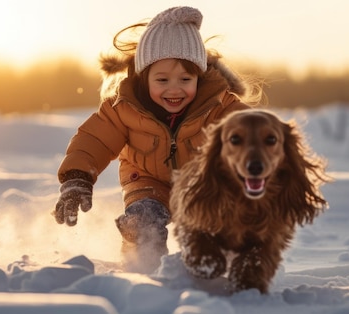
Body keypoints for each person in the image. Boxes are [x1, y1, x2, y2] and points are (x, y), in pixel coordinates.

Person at [52, 6, 259, 273]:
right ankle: (144, 269)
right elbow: (94, 140)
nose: (174, 89)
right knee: (143, 220)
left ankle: (218, 271)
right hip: (146, 180)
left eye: (186, 78)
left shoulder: (219, 107)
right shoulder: (123, 108)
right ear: (143, 76)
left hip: (204, 184)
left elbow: (254, 136)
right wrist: (77, 177)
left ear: (200, 75)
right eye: (162, 79)